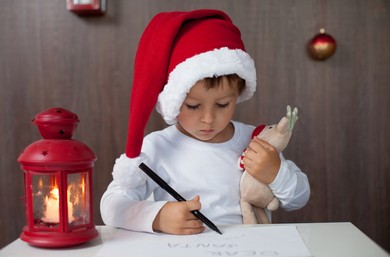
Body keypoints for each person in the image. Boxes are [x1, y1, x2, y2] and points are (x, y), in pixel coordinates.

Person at [100, 9, 310, 235]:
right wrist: (158, 217)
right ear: (174, 99)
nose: (208, 119)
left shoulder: (257, 141)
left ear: (238, 93)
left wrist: (275, 173)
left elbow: (299, 199)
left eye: (222, 105)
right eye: (192, 106)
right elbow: (112, 205)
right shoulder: (157, 147)